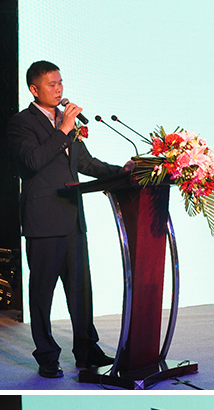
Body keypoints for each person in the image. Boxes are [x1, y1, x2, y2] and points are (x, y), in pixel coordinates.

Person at [7, 61, 128, 378]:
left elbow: (86, 163)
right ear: (34, 89)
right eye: (52, 84)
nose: (59, 88)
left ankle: (87, 350)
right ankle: (47, 355)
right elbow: (32, 161)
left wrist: (124, 172)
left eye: (61, 82)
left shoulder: (66, 122)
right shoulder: (21, 123)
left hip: (73, 219)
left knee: (80, 290)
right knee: (42, 293)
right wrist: (63, 130)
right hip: (43, 220)